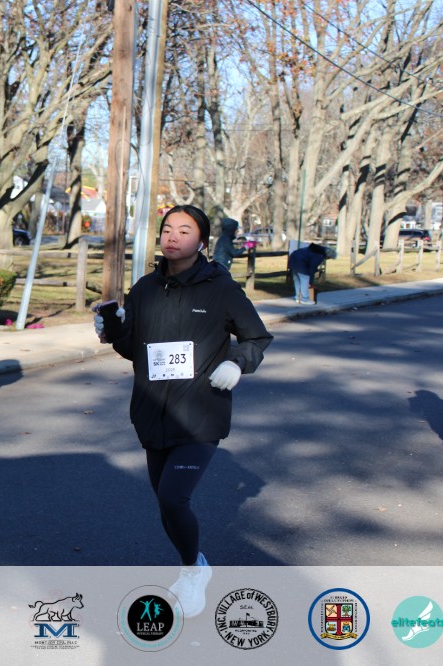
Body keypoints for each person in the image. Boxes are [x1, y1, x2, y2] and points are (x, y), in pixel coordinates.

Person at [94, 204, 272, 618]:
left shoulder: (220, 288)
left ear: (202, 242)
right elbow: (134, 349)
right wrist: (113, 329)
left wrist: (237, 363)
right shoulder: (145, 289)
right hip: (152, 411)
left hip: (201, 413)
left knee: (174, 499)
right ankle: (194, 565)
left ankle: (193, 572)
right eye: (167, 229)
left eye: (185, 230)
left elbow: (256, 337)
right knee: (165, 503)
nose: (173, 236)